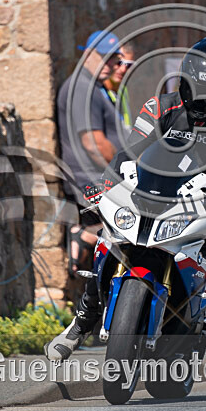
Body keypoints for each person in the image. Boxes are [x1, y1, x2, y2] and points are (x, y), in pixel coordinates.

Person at [47, 37, 206, 360]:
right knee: (109, 238)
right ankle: (83, 320)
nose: (200, 100)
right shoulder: (159, 106)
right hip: (151, 191)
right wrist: (105, 184)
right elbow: (128, 153)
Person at [57, 30, 125, 278]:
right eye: (104, 57)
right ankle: (84, 236)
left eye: (114, 59)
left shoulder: (95, 88)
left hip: (99, 176)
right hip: (90, 178)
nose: (110, 64)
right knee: (128, 226)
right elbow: (93, 142)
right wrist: (123, 171)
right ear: (87, 55)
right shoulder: (82, 88)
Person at [104, 42, 135, 129]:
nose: (123, 69)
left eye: (128, 65)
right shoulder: (98, 91)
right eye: (119, 62)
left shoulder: (123, 90)